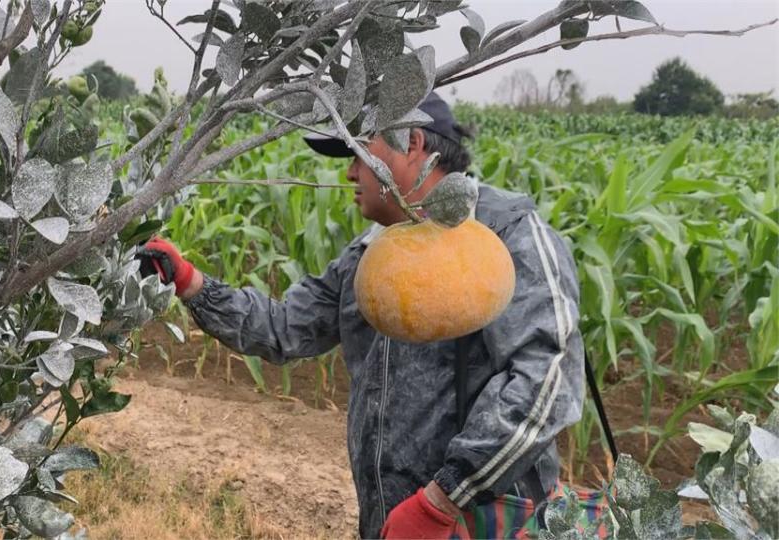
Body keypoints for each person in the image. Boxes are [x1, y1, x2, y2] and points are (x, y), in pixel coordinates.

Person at [137, 92, 585, 539]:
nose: (349, 172)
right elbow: (287, 327)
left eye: (357, 153)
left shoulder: (506, 237)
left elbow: (546, 382)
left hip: (481, 522)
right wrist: (191, 282)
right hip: (391, 520)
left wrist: (442, 501)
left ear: (411, 144)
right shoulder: (374, 252)